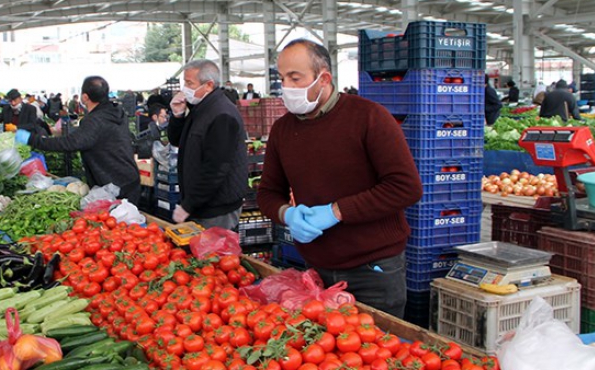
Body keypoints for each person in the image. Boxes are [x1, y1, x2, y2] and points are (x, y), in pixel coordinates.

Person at [256, 39, 423, 318]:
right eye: (282, 78)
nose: (286, 87)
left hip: (374, 270)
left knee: (376, 353)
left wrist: (337, 212)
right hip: (316, 268)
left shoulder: (369, 117)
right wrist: (287, 214)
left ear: (324, 78)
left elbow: (405, 187)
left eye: (295, 78)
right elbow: (267, 193)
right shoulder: (283, 130)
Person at [15, 76, 141, 204]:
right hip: (128, 178)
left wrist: (32, 139)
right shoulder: (115, 112)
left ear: (85, 97)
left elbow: (70, 143)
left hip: (114, 185)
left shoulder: (95, 120)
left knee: (121, 221)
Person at [168, 59, 248, 230]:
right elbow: (177, 141)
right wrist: (178, 115)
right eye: (184, 82)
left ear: (209, 85)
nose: (184, 88)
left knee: (214, 253)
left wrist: (188, 205)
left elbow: (216, 168)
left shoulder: (222, 115)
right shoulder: (200, 108)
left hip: (216, 209)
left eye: (189, 83)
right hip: (201, 203)